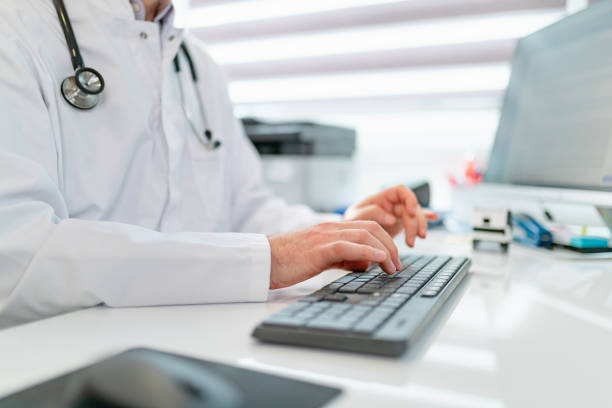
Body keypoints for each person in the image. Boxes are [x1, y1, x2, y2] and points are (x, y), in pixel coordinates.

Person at [0, 0, 436, 328]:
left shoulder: (197, 65)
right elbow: (18, 255)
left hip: (191, 337)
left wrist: (341, 233)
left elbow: (245, 209)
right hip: (58, 356)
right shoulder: (14, 30)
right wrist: (269, 258)